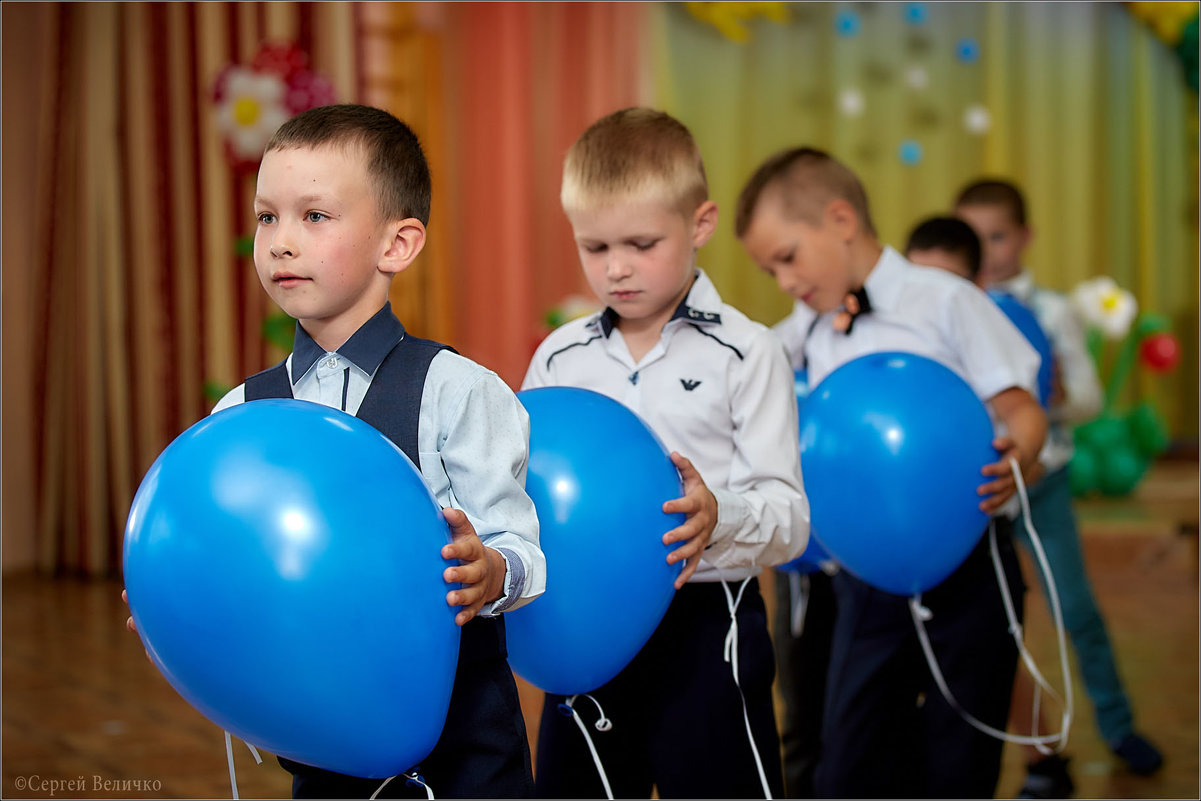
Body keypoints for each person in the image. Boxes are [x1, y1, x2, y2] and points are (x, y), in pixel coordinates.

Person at [129, 104, 546, 799]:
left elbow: (526, 552)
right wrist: (176, 599)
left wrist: (491, 567)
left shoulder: (458, 390)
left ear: (398, 244)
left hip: (467, 751)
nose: (281, 242)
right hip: (319, 746)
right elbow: (233, 563)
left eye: (314, 217)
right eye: (267, 217)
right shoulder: (239, 416)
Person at [736, 147, 1047, 799]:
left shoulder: (947, 301)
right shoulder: (803, 330)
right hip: (864, 575)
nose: (784, 281)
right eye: (770, 270)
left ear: (840, 218)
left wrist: (1018, 450)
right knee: (849, 758)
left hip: (968, 560)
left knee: (958, 760)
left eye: (788, 257)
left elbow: (1021, 408)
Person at [523, 107, 809, 799]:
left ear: (700, 224)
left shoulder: (749, 351)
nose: (616, 268)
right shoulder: (557, 357)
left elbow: (790, 516)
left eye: (641, 242)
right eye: (594, 247)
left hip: (708, 626)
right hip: (578, 626)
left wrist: (721, 514)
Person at [955, 179, 1164, 795]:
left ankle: (1119, 726)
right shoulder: (953, 310)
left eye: (997, 236)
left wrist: (1055, 399)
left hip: (1042, 482)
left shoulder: (1051, 310)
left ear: (1024, 237)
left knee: (1075, 609)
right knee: (997, 628)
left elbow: (1091, 396)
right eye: (974, 238)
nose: (987, 250)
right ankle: (1041, 753)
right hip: (982, 490)